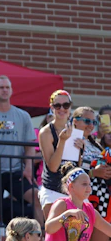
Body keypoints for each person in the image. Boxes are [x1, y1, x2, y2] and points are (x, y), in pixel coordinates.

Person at [0, 75, 41, 226]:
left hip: (17, 172)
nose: (5, 91)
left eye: (7, 87)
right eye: (1, 87)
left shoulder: (23, 116)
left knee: (37, 197)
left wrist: (29, 168)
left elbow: (29, 145)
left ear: (11, 90)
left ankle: (41, 236)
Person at [38, 90, 81, 218]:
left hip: (73, 189)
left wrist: (81, 151)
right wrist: (62, 141)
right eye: (57, 106)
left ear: (70, 106)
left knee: (78, 234)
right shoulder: (46, 132)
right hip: (53, 189)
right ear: (52, 108)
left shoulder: (76, 130)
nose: (62, 109)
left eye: (65, 105)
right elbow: (53, 166)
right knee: (55, 234)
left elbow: (77, 165)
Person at [87, 104, 111, 241]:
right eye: (105, 119)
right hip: (96, 202)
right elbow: (72, 168)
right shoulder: (89, 143)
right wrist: (94, 172)